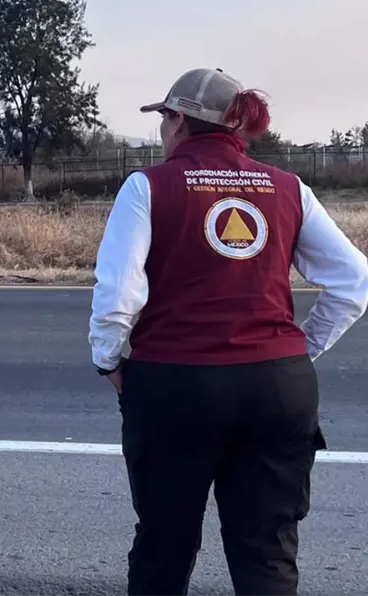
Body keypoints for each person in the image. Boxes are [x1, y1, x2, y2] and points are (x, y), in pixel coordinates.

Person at [88, 68, 368, 596]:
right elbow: (355, 281)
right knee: (266, 552)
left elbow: (118, 297)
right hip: (277, 390)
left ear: (179, 121)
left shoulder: (147, 187)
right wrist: (296, 352)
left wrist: (108, 361)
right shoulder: (289, 188)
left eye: (164, 118)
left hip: (177, 387)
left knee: (164, 547)